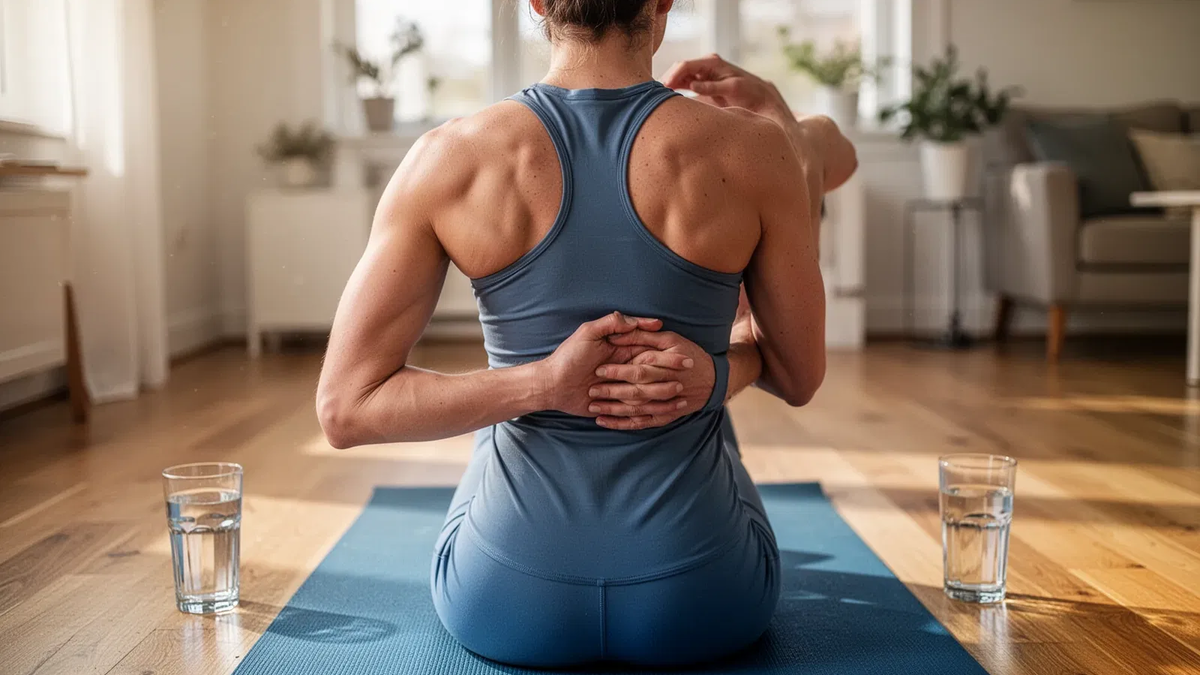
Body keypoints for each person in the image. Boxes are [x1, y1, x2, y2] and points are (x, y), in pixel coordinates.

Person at [316, 0, 857, 667]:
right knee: (708, 406)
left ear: (539, 4)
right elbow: (799, 376)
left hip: (504, 599)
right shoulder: (754, 149)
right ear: (661, 3)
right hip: (704, 597)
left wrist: (541, 384)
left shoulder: (446, 157)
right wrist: (713, 373)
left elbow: (345, 408)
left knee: (498, 422)